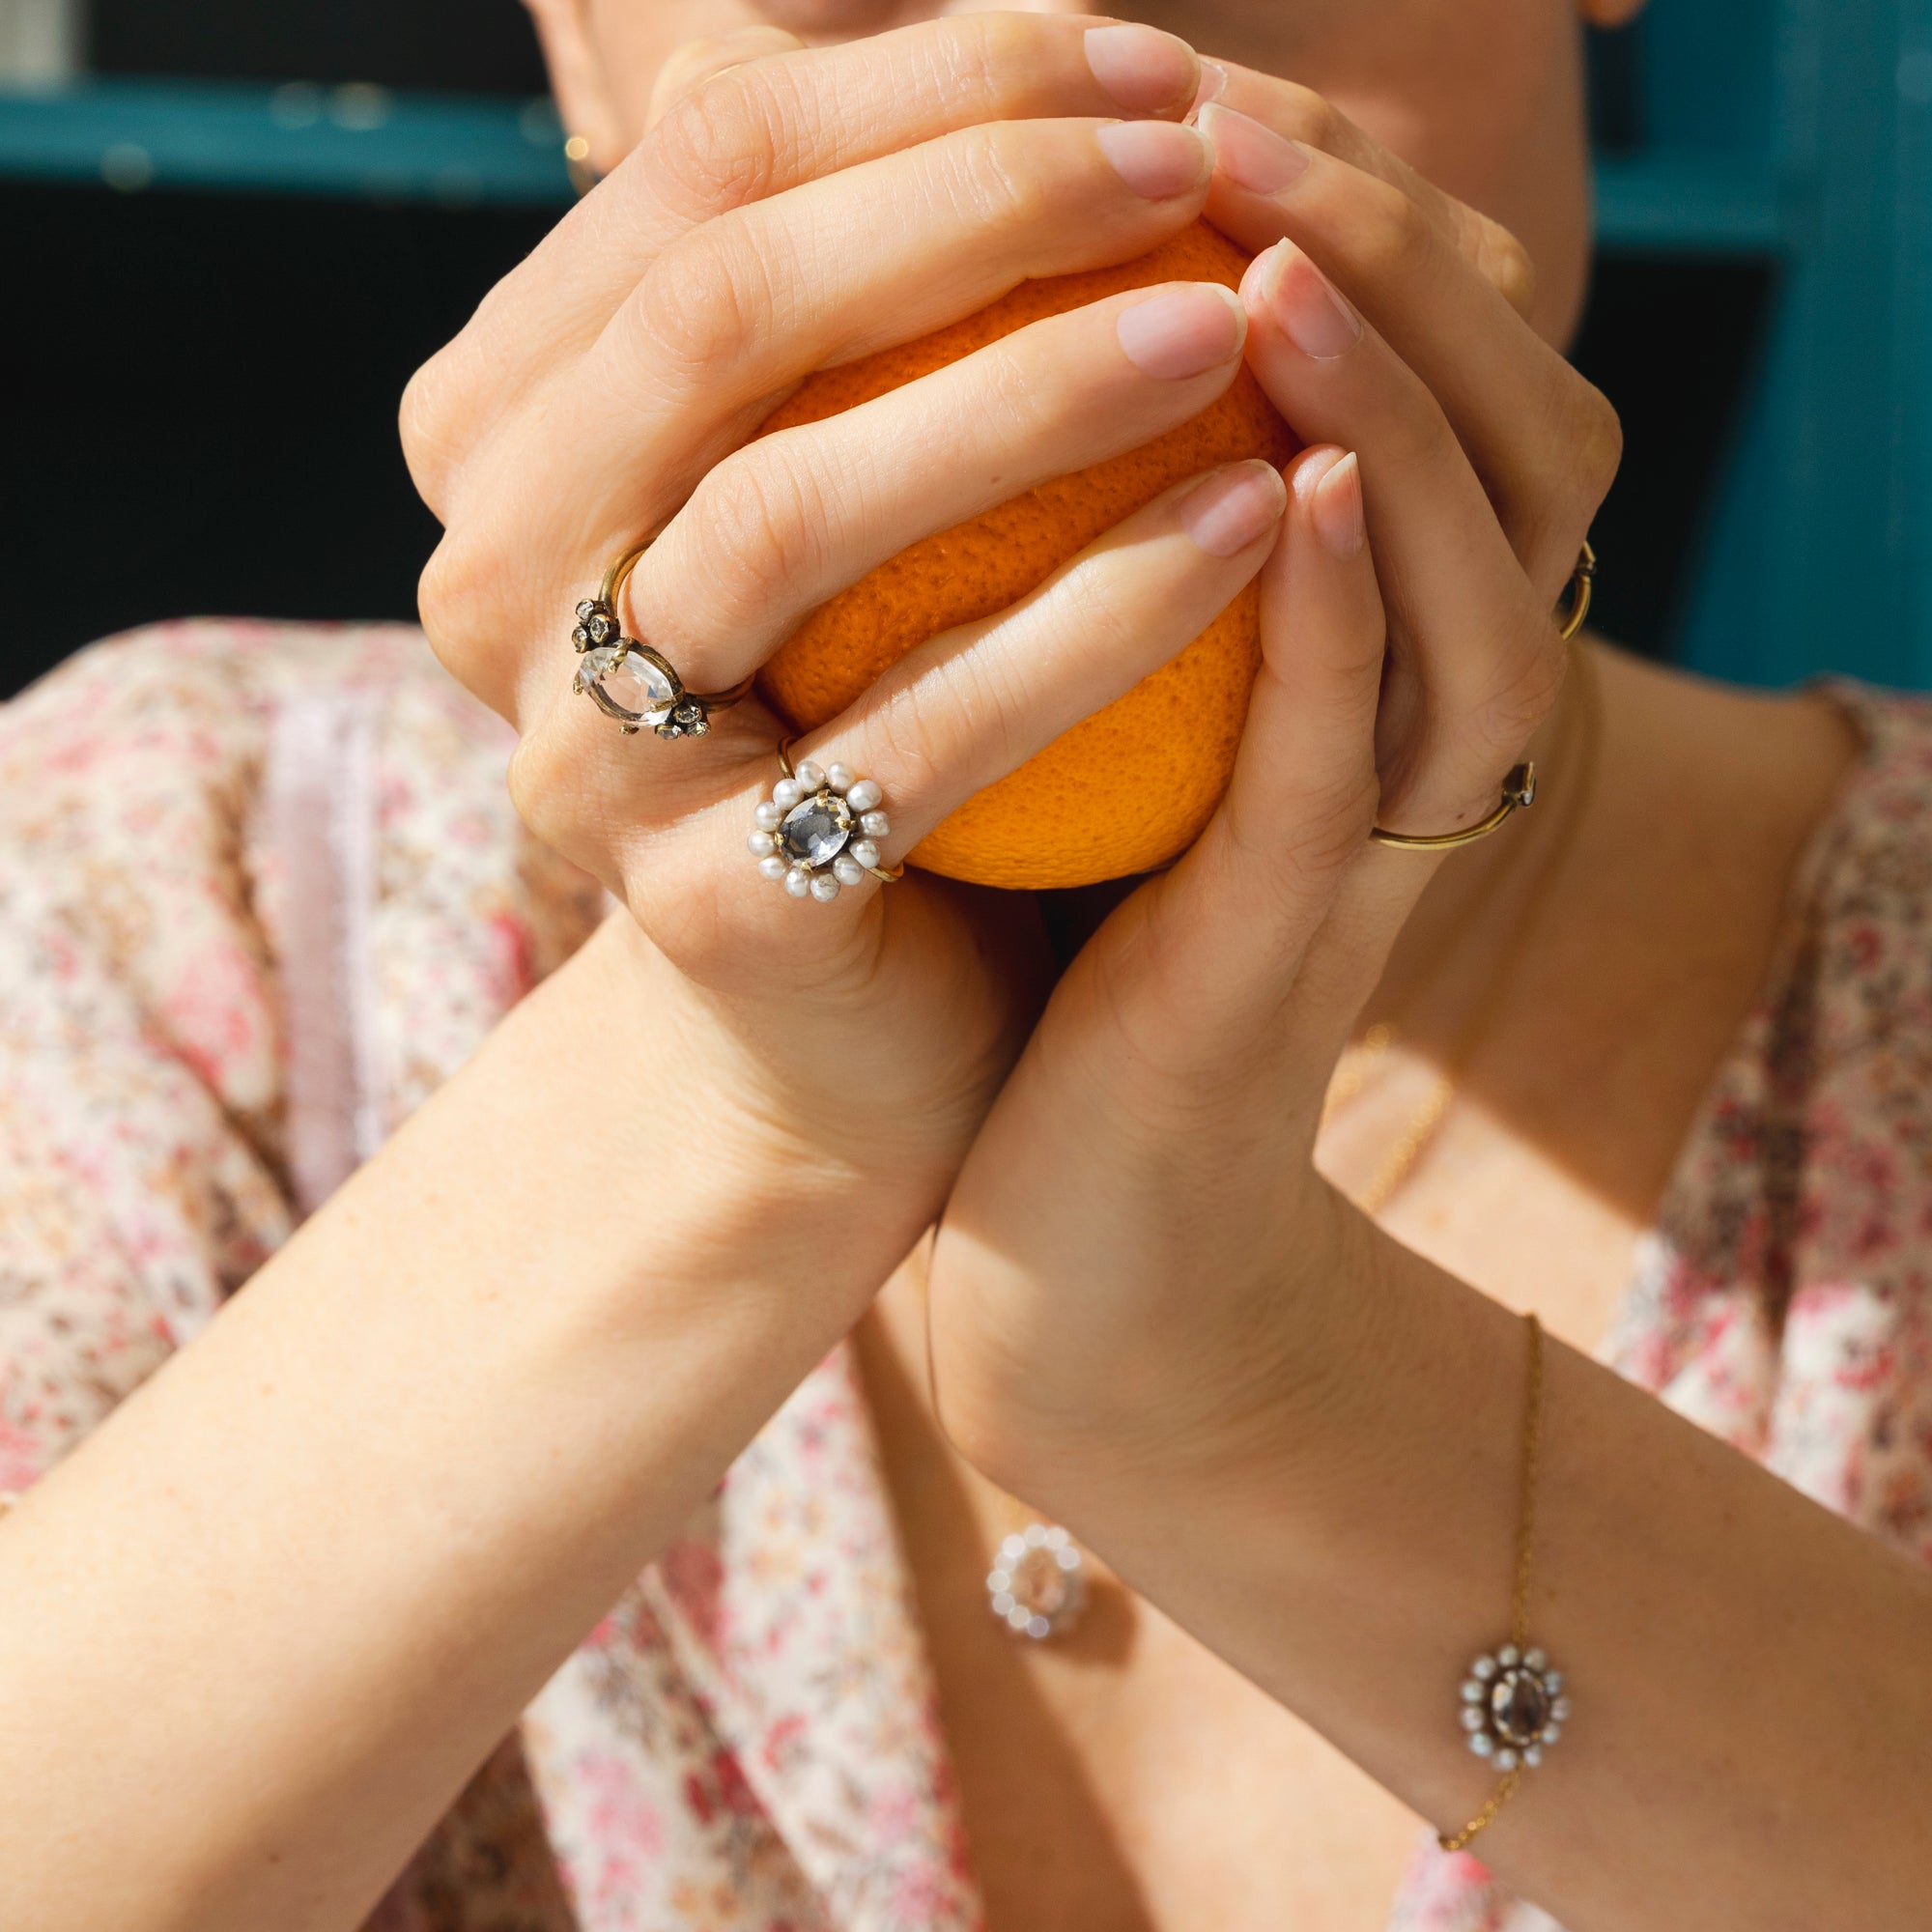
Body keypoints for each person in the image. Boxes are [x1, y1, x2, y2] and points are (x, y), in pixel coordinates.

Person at [1, 2, 1928, 1928]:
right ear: (584, 50)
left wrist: (1265, 1388)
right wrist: (731, 1107)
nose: (1045, 40)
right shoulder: (161, 895)